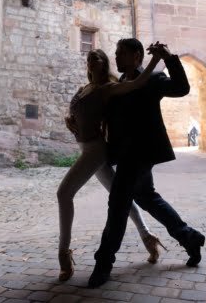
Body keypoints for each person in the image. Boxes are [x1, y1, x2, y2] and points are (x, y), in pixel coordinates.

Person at [88, 38, 206, 288]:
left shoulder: (152, 79)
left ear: (137, 56)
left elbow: (181, 88)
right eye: (116, 53)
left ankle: (103, 263)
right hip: (125, 155)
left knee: (118, 202)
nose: (116, 58)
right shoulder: (119, 83)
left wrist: (169, 59)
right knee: (147, 197)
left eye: (121, 54)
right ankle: (189, 238)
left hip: (141, 153)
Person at [57, 45, 168, 282]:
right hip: (85, 147)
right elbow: (76, 113)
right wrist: (70, 120)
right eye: (90, 58)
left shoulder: (108, 88)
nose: (92, 60)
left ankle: (63, 255)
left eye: (98, 57)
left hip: (96, 150)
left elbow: (137, 84)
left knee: (64, 193)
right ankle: (148, 237)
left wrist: (155, 60)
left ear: (104, 63)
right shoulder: (84, 88)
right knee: (121, 197)